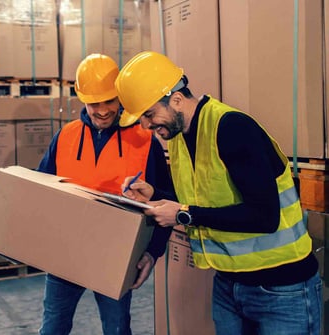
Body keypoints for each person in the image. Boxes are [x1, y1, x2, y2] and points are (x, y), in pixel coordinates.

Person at [115, 51, 321, 335]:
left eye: (149, 114)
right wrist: (154, 194)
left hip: (281, 289)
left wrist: (183, 215)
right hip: (228, 285)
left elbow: (265, 216)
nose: (147, 126)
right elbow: (202, 197)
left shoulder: (232, 128)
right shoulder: (177, 136)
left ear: (175, 98)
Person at [37, 53, 173, 335]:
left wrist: (152, 251)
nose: (101, 110)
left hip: (117, 256)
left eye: (109, 101)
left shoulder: (145, 139)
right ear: (82, 100)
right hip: (66, 254)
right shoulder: (66, 137)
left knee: (117, 328)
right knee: (52, 328)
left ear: (120, 98)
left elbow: (166, 199)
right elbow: (41, 191)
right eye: (94, 103)